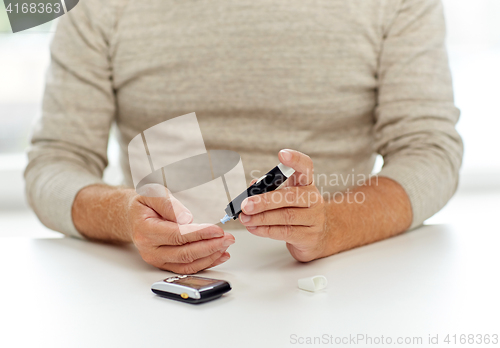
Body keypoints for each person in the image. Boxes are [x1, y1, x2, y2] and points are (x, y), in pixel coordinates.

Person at [25, 0, 462, 274]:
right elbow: (56, 161)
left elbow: (429, 151)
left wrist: (332, 228)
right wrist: (122, 216)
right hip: (151, 289)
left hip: (338, 278)